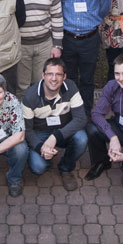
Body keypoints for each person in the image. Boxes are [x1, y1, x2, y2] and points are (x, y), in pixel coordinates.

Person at [53, 0, 111, 115]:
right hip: (67, 38)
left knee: (87, 79)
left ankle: (85, 113)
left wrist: (91, 20)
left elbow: (104, 8)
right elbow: (56, 6)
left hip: (89, 39)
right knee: (67, 78)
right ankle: (69, 111)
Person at [22, 58, 87, 191]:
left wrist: (55, 137)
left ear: (64, 77)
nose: (54, 78)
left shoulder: (71, 87)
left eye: (58, 74)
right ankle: (46, 156)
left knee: (82, 138)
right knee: (38, 168)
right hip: (40, 133)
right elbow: (27, 130)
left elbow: (81, 119)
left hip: (63, 130)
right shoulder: (30, 97)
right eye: (50, 74)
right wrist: (41, 147)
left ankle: (66, 168)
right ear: (43, 75)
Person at [9, 0, 63, 99]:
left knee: (44, 83)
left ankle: (42, 117)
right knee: (22, 86)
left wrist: (57, 45)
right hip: (20, 46)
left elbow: (57, 17)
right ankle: (23, 119)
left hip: (44, 45)